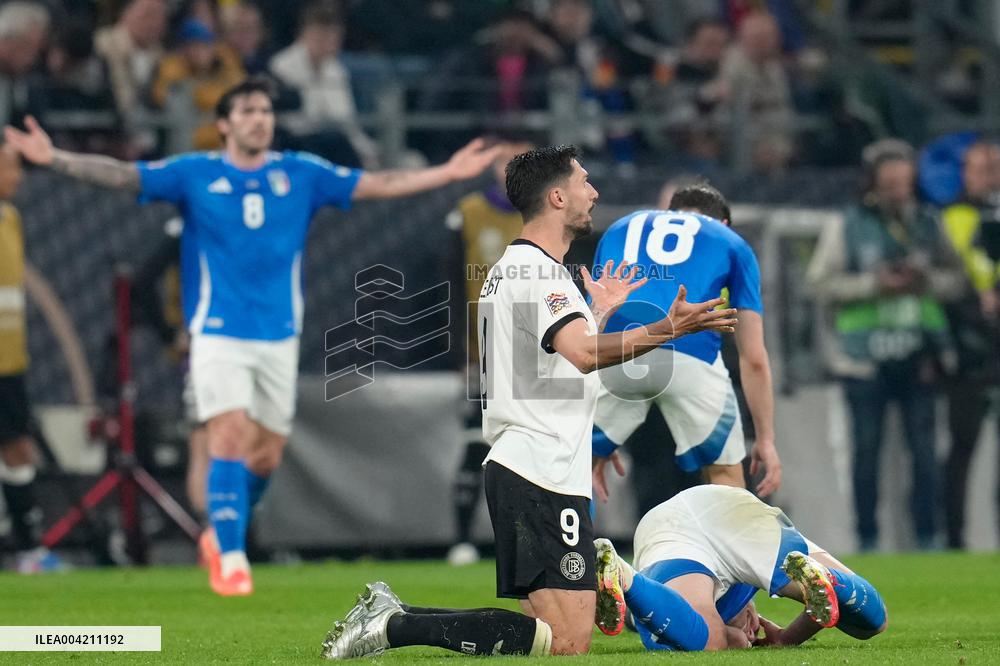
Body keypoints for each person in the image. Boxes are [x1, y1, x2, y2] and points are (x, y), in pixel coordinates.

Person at [3, 77, 504, 596]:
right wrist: (55, 157)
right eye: (246, 110)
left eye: (264, 110)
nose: (258, 118)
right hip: (218, 333)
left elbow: (377, 184)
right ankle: (231, 555)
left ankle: (225, 532)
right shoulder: (195, 173)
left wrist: (446, 171)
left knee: (265, 455)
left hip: (279, 337)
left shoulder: (300, 173)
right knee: (228, 433)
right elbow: (124, 175)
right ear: (223, 124)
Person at [320, 145, 738, 658]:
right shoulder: (536, 273)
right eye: (585, 181)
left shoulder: (524, 269)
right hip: (537, 470)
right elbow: (583, 356)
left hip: (536, 467)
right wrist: (669, 327)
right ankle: (394, 625)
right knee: (567, 641)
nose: (594, 192)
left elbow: (560, 360)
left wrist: (599, 312)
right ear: (558, 196)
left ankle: (392, 620)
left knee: (552, 639)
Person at [807, 138, 965, 551]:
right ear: (872, 183)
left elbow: (957, 280)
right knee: (865, 453)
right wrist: (872, 283)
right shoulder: (846, 225)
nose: (899, 192)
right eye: (890, 184)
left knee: (926, 454)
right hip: (863, 359)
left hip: (918, 355)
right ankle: (867, 538)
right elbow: (819, 283)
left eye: (904, 183)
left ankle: (928, 537)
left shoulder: (929, 222)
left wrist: (925, 280)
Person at [590, 182, 781, 501]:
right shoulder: (731, 241)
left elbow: (593, 315)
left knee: (576, 471)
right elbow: (754, 358)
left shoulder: (623, 226)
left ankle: (569, 550)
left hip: (618, 353)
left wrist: (599, 432)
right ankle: (726, 551)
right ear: (723, 223)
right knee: (725, 479)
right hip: (692, 356)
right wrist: (766, 439)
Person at [592, 484, 888, 651]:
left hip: (676, 525)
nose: (752, 632)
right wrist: (786, 637)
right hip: (727, 507)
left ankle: (624, 575)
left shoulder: (664, 612)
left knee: (707, 638)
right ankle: (832, 580)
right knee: (872, 623)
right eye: (753, 633)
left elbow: (720, 637)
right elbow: (831, 607)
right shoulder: (668, 610)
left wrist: (742, 639)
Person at [444, 139, 534, 567]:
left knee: (533, 442)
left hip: (536, 353)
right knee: (475, 442)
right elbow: (447, 286)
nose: (510, 168)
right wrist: (458, 350)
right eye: (504, 160)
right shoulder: (469, 213)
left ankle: (533, 536)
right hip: (482, 353)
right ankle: (462, 536)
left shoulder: (542, 218)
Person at [0, 143, 62, 573]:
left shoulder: (10, 218)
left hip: (8, 363)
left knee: (18, 447)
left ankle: (28, 549)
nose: (18, 175)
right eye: (10, 166)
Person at [940, 140, 1000, 549]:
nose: (989, 175)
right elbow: (946, 272)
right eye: (981, 168)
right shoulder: (951, 217)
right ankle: (954, 538)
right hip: (969, 347)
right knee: (963, 445)